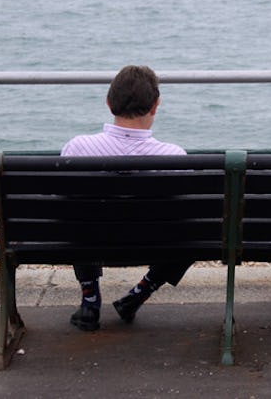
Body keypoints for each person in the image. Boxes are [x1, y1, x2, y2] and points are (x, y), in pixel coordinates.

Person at [61, 64, 191, 332]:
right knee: (194, 228)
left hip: (92, 243)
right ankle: (140, 292)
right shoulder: (174, 157)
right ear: (155, 105)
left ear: (109, 103)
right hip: (153, 245)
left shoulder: (77, 149)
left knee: (78, 216)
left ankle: (90, 299)